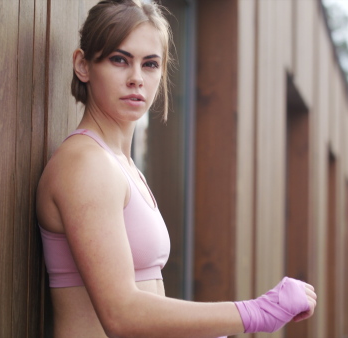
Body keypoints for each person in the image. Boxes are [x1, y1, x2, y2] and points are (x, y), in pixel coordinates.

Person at [36, 1, 317, 337]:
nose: (137, 78)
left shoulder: (120, 164)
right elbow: (121, 314)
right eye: (119, 60)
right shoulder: (86, 165)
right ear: (83, 65)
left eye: (150, 64)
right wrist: (256, 312)